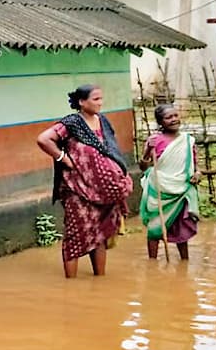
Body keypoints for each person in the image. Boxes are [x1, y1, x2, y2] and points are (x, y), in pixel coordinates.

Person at [36, 85, 133, 278]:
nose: (100, 103)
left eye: (101, 99)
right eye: (96, 99)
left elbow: (111, 150)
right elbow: (44, 139)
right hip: (77, 189)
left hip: (105, 192)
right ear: (82, 102)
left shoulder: (103, 121)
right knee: (76, 233)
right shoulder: (72, 123)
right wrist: (64, 158)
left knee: (100, 235)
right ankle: (70, 284)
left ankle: (100, 279)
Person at [139, 103, 200, 261]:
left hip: (182, 189)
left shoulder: (188, 141)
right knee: (154, 229)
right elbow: (143, 166)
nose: (174, 120)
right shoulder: (155, 140)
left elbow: (195, 165)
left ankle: (184, 262)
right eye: (168, 117)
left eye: (175, 116)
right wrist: (147, 150)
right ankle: (152, 266)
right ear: (161, 122)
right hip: (160, 189)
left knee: (182, 228)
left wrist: (197, 174)